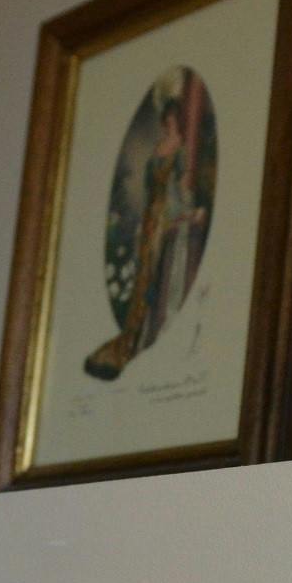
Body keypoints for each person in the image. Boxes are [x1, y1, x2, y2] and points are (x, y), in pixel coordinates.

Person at [86, 99, 204, 381]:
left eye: (173, 118)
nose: (169, 122)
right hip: (152, 216)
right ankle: (133, 334)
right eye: (167, 118)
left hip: (167, 212)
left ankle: (147, 333)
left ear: (177, 119)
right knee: (143, 272)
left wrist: (188, 210)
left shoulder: (180, 149)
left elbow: (179, 186)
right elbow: (152, 186)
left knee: (155, 272)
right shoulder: (159, 147)